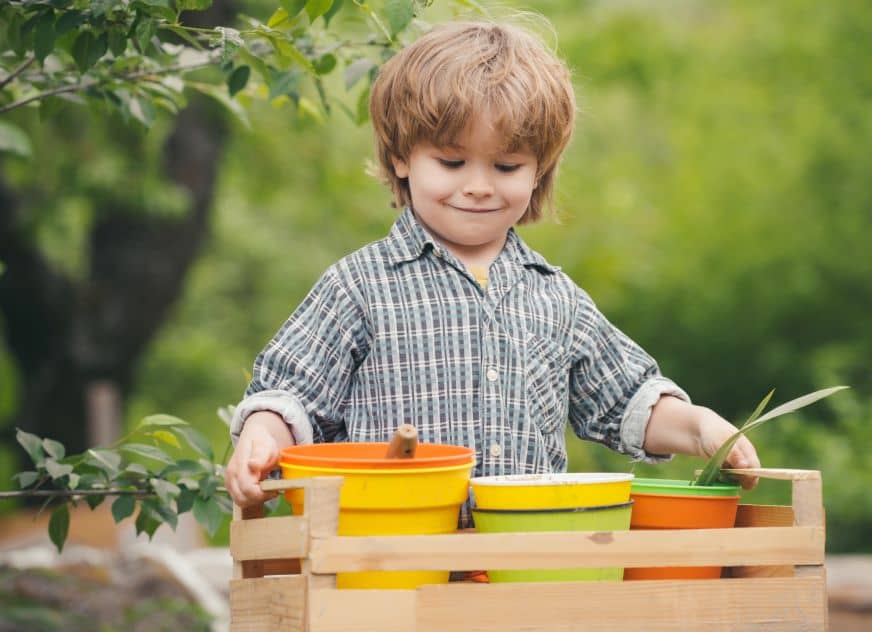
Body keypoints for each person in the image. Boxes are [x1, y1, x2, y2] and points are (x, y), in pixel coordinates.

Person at [224, 19, 760, 511]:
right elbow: (291, 392)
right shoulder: (360, 285)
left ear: (538, 170)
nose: (479, 186)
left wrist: (699, 429)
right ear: (401, 157)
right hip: (392, 558)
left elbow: (626, 399)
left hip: (522, 562)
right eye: (452, 162)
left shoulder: (555, 297)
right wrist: (263, 435)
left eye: (506, 165)